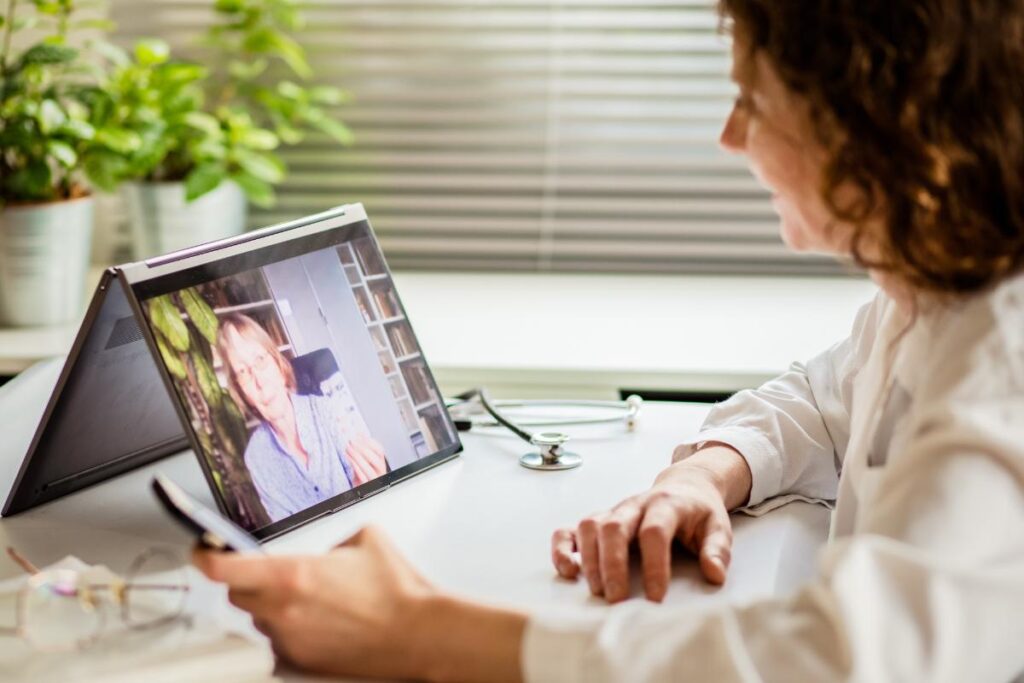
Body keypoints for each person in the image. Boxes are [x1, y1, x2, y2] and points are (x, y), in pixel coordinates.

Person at [194, 1, 1024, 680]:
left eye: (756, 103)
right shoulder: (927, 287)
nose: (730, 138)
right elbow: (825, 399)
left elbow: (837, 662)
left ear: (870, 128)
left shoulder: (1001, 366)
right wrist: (704, 472)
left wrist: (421, 631)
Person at [216, 313, 389, 523]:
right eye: (242, 372)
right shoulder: (256, 457)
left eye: (260, 360)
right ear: (241, 392)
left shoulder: (327, 409)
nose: (259, 382)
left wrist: (376, 487)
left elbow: (371, 503)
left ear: (279, 365)